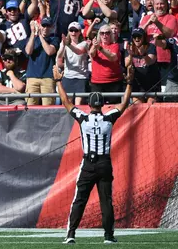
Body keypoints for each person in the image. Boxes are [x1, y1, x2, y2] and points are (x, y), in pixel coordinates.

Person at [54, 64, 134, 245]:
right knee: (106, 201)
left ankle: (71, 234)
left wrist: (59, 81)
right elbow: (124, 103)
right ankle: (108, 236)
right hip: (104, 163)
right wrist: (129, 84)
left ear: (89, 105)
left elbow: (66, 101)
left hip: (88, 164)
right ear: (103, 105)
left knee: (79, 199)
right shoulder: (109, 118)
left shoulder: (83, 118)